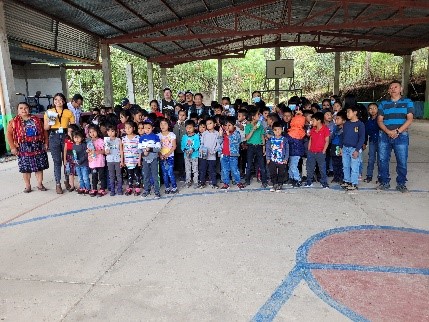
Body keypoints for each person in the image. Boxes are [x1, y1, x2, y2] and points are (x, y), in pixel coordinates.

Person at [377, 80, 414, 192]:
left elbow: (410, 119)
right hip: (384, 135)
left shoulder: (408, 102)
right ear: (389, 90)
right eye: (391, 88)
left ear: (401, 89)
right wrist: (388, 131)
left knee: (402, 160)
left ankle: (401, 183)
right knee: (383, 160)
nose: (393, 89)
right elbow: (379, 120)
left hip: (401, 136)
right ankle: (384, 182)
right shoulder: (383, 104)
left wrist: (398, 132)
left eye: (396, 87)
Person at [6, 102, 49, 192]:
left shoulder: (36, 119)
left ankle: (40, 184)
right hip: (23, 146)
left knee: (39, 166)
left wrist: (46, 142)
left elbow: (44, 131)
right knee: (25, 168)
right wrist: (12, 147)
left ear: (29, 109)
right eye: (21, 108)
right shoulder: (13, 122)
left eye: (26, 108)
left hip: (37, 145)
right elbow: (9, 134)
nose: (23, 110)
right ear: (18, 110)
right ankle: (27, 186)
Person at [44, 92, 75, 194]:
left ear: (64, 101)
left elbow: (73, 127)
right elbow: (46, 128)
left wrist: (71, 137)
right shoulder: (49, 112)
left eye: (60, 99)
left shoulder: (68, 112)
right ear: (53, 101)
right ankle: (58, 184)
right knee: (57, 161)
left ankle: (66, 180)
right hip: (54, 136)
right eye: (56, 99)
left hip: (66, 136)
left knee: (66, 160)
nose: (58, 101)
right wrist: (50, 121)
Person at [340, 105, 365, 191]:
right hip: (345, 148)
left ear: (355, 112)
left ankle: (354, 183)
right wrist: (341, 147)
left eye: (349, 112)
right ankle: (347, 181)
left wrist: (357, 150)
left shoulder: (360, 124)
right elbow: (343, 136)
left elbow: (362, 138)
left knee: (354, 166)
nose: (347, 114)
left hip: (354, 148)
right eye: (347, 112)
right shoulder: (346, 124)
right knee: (345, 166)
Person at [304, 112, 330, 188]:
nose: (312, 122)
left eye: (313, 120)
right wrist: (309, 150)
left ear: (319, 120)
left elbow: (327, 141)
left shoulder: (325, 129)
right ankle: (309, 181)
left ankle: (324, 183)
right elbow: (311, 140)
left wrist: (324, 151)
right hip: (311, 152)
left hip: (320, 152)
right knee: (310, 168)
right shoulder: (313, 130)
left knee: (322, 168)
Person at [218, 116, 243, 190]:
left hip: (233, 155)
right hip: (223, 155)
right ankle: (226, 183)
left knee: (234, 169)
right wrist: (220, 135)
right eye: (225, 125)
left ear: (234, 125)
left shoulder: (236, 133)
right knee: (225, 170)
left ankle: (238, 182)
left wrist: (229, 135)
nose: (227, 127)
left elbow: (237, 141)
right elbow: (219, 142)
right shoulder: (223, 133)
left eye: (229, 125)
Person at [245, 108, 268, 188]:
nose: (260, 116)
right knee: (249, 165)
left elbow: (262, 137)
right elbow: (247, 138)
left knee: (262, 165)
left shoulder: (261, 126)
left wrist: (264, 146)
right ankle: (247, 180)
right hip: (251, 146)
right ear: (253, 117)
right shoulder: (248, 126)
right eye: (258, 114)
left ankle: (264, 181)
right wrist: (253, 130)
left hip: (259, 146)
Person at [139, 121, 161, 198]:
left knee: (155, 175)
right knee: (146, 175)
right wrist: (143, 153)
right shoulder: (141, 138)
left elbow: (158, 149)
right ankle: (146, 190)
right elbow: (139, 149)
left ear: (152, 128)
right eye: (145, 128)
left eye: (149, 128)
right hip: (145, 159)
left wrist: (150, 149)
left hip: (154, 159)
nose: (147, 130)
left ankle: (157, 191)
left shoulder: (156, 137)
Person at [266, 122, 289, 192]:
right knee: (272, 172)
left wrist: (286, 158)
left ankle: (280, 184)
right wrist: (268, 158)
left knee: (281, 173)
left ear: (282, 130)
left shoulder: (284, 139)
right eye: (275, 130)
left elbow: (287, 149)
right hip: (273, 159)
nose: (277, 131)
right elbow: (268, 149)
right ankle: (274, 184)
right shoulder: (271, 140)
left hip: (281, 159)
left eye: (279, 129)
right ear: (273, 131)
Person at [158, 118, 178, 194]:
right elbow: (157, 148)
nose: (163, 125)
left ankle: (174, 186)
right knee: (164, 173)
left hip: (170, 157)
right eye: (161, 124)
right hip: (162, 157)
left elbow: (174, 146)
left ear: (168, 125)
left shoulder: (172, 135)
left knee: (170, 172)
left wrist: (167, 154)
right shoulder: (158, 136)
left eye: (165, 124)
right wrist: (160, 155)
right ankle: (167, 187)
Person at [198, 117, 219, 189]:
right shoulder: (204, 133)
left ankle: (213, 183)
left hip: (212, 155)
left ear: (215, 124)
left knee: (212, 170)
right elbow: (202, 143)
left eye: (210, 123)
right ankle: (202, 182)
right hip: (204, 155)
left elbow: (218, 144)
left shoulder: (217, 134)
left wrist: (214, 151)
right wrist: (202, 150)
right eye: (207, 124)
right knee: (203, 169)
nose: (208, 125)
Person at [121, 121, 141, 196]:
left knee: (137, 174)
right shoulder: (123, 139)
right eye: (126, 128)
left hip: (135, 160)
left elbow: (139, 150)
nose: (128, 129)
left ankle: (137, 187)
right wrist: (122, 161)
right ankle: (130, 187)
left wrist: (139, 160)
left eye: (129, 128)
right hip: (128, 160)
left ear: (134, 128)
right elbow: (122, 151)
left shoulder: (137, 138)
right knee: (129, 174)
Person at [86, 124, 107, 197]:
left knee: (101, 176)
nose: (92, 133)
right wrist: (88, 151)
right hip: (93, 163)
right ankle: (94, 188)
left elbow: (104, 151)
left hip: (100, 162)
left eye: (94, 131)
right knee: (94, 176)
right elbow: (88, 151)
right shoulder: (89, 142)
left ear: (97, 131)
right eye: (90, 132)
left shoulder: (101, 141)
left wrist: (97, 152)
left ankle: (102, 189)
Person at [287, 111, 305, 188]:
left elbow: (289, 140)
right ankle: (292, 178)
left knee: (293, 166)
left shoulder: (293, 132)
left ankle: (297, 179)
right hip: (297, 152)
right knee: (292, 165)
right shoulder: (301, 131)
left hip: (293, 152)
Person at [364, 103, 380, 183]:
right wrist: (365, 142)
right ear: (368, 111)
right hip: (372, 142)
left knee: (381, 160)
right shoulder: (368, 121)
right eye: (370, 108)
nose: (373, 110)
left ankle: (381, 177)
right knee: (371, 159)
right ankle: (369, 176)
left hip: (381, 142)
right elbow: (366, 133)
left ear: (378, 109)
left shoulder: (381, 120)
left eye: (374, 108)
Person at [105, 124, 123, 196]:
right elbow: (106, 151)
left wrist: (122, 160)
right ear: (107, 132)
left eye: (112, 131)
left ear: (115, 131)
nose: (110, 133)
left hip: (117, 159)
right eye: (108, 131)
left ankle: (119, 189)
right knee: (111, 175)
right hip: (109, 160)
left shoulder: (118, 140)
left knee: (118, 175)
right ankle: (112, 189)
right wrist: (106, 151)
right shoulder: (106, 140)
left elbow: (121, 150)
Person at [181, 120, 200, 188]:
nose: (188, 129)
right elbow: (182, 145)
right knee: (187, 169)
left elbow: (198, 144)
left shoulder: (196, 136)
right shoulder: (184, 137)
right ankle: (188, 181)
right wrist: (185, 150)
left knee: (195, 169)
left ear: (194, 128)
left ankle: (196, 181)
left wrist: (193, 149)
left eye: (190, 127)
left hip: (194, 155)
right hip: (186, 156)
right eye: (187, 128)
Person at [72, 130, 91, 194]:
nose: (76, 139)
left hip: (84, 164)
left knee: (85, 177)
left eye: (78, 137)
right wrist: (73, 159)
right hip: (77, 165)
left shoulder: (84, 145)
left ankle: (87, 188)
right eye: (75, 137)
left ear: (82, 138)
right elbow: (73, 154)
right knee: (80, 177)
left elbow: (86, 154)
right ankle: (82, 187)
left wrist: (80, 160)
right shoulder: (74, 146)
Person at [330, 110, 346, 184]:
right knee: (335, 162)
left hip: (341, 147)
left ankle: (342, 177)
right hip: (334, 146)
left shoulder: (345, 129)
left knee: (341, 163)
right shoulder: (335, 128)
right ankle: (336, 177)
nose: (336, 120)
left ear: (343, 120)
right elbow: (332, 137)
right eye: (335, 119)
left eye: (338, 119)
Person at [63, 124, 80, 191]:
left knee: (78, 171)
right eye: (68, 131)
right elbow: (65, 149)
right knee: (70, 172)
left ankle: (80, 185)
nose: (69, 133)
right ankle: (72, 185)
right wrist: (64, 159)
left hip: (76, 157)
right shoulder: (67, 139)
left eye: (71, 131)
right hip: (69, 156)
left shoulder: (77, 139)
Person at [173, 109, 187, 180]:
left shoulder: (186, 125)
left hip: (185, 147)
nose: (181, 117)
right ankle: (181, 174)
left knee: (185, 162)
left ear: (186, 116)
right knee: (179, 162)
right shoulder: (175, 125)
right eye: (180, 115)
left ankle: (185, 174)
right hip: (177, 147)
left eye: (183, 115)